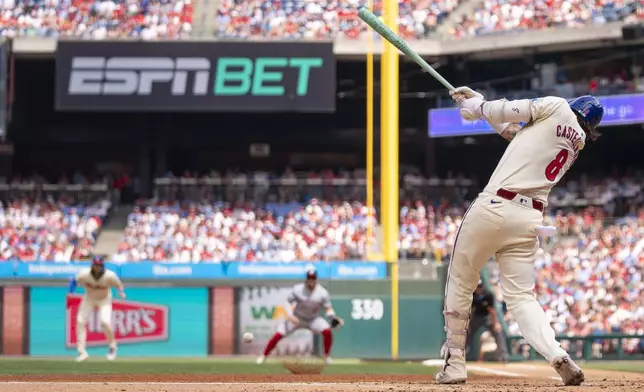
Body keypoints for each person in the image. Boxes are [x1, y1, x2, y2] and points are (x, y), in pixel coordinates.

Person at [435, 87, 604, 386]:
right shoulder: (576, 141)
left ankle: (455, 364)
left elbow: (508, 111)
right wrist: (480, 105)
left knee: (461, 279)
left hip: (495, 206)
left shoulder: (556, 106)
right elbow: (516, 134)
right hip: (529, 219)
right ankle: (556, 353)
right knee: (522, 297)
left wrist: (479, 106)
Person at [257, 269, 343, 365]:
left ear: (316, 279)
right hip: (297, 318)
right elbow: (287, 302)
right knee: (278, 335)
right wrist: (290, 315)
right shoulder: (298, 289)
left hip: (313, 319)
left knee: (327, 331)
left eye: (313, 278)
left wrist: (332, 317)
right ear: (306, 279)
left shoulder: (322, 292)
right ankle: (264, 356)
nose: (311, 280)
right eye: (309, 278)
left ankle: (327, 357)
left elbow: (328, 308)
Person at [68, 256, 126, 362]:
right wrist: (71, 292)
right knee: (80, 321)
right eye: (95, 265)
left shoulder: (109, 275)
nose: (97, 267)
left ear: (102, 266)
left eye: (99, 265)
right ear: (92, 265)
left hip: (104, 299)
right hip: (89, 299)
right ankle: (82, 352)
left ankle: (112, 347)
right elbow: (74, 281)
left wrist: (121, 292)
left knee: (105, 322)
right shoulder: (84, 274)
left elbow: (119, 284)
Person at [467, 282, 509, 363]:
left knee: (498, 332)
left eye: (480, 287)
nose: (478, 289)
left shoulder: (488, 295)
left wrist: (495, 323)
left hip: (488, 317)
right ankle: (465, 354)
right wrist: (468, 324)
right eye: (477, 287)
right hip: (477, 317)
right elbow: (469, 311)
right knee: (468, 334)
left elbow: (492, 311)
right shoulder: (472, 295)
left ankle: (503, 356)